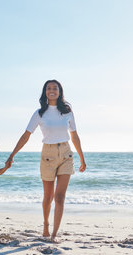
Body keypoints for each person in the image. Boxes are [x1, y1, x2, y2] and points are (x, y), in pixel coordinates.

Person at [6, 80, 86, 243]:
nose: (52, 91)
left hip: (65, 153)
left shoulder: (67, 111)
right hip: (47, 154)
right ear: (45, 92)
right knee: (48, 196)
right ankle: (45, 225)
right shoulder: (39, 113)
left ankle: (54, 234)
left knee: (60, 197)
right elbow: (26, 135)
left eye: (55, 88)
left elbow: (74, 136)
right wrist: (12, 154)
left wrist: (82, 159)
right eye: (49, 88)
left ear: (60, 91)